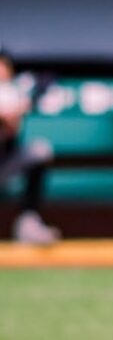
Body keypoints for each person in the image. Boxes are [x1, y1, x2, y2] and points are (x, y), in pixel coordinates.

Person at [0, 49, 60, 244]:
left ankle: (28, 224)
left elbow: (47, 80)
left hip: (5, 164)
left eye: (3, 66)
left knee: (39, 151)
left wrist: (25, 103)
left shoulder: (15, 90)